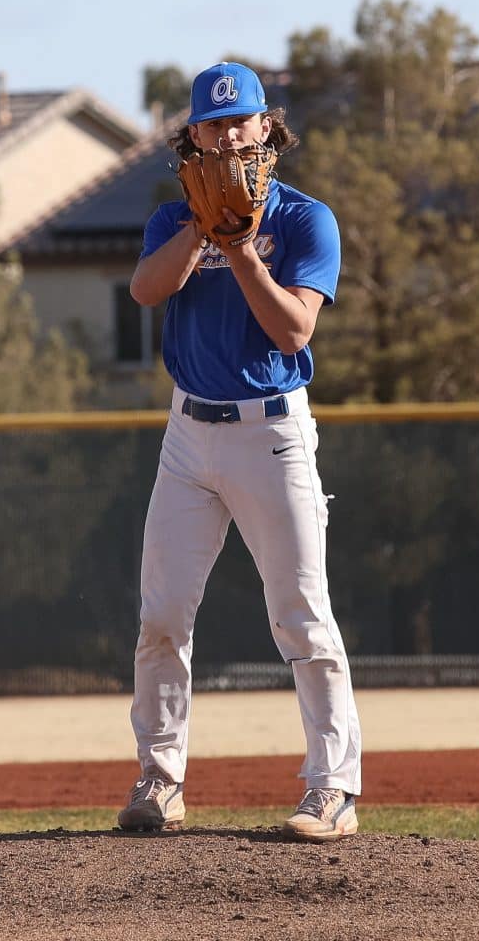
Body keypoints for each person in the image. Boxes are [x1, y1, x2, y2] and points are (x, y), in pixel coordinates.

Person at [117, 61, 362, 842]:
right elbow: (146, 292)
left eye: (241, 121)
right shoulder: (171, 219)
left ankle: (332, 790)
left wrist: (245, 247)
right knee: (161, 616)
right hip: (189, 435)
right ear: (193, 134)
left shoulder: (304, 219)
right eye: (213, 123)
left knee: (301, 617)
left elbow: (293, 331)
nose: (227, 134)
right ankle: (160, 779)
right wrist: (200, 229)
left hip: (272, 433)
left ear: (267, 130)